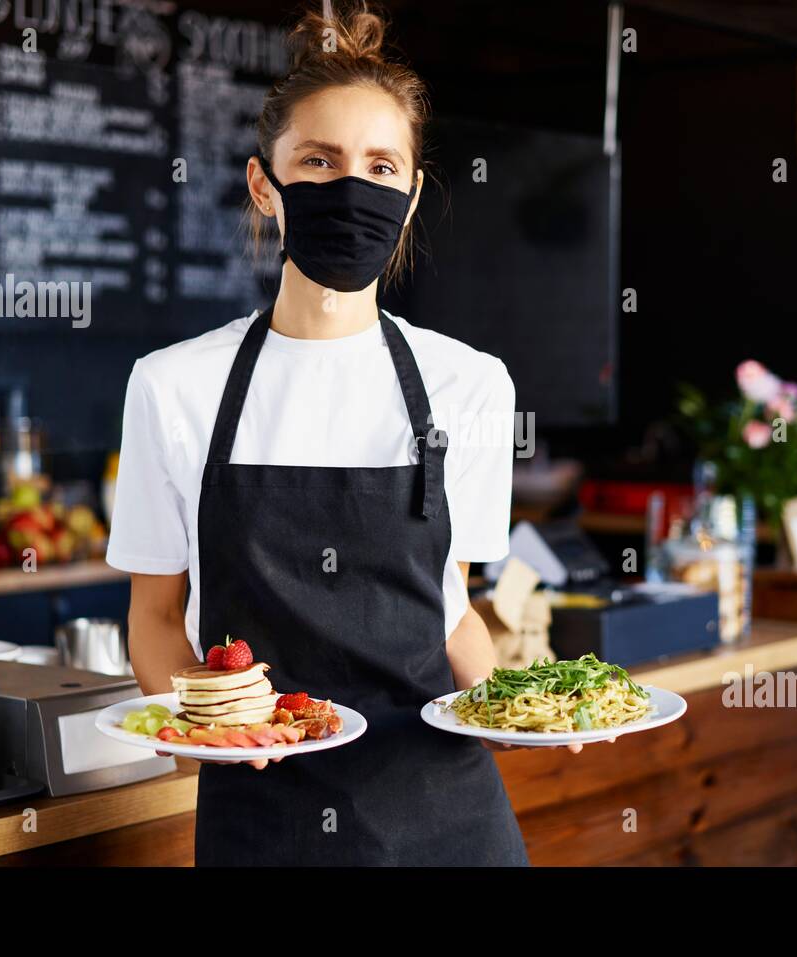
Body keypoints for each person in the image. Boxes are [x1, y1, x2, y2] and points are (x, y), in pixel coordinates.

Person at [107, 3, 534, 865]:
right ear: (266, 183)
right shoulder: (173, 385)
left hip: (446, 815)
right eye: (320, 160)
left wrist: (518, 713)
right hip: (262, 814)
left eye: (382, 167)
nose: (354, 189)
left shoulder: (472, 384)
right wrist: (210, 731)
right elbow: (154, 619)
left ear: (411, 199)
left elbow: (452, 611)